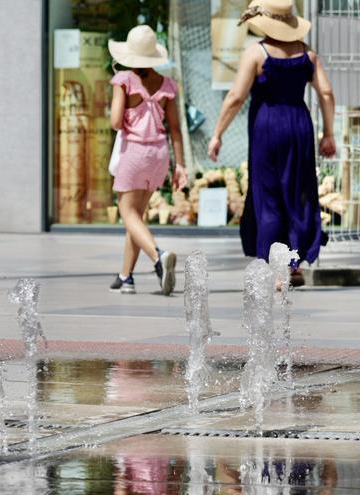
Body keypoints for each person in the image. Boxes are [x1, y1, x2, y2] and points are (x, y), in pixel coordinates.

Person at [207, 0, 336, 286]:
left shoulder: (257, 52)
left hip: (267, 127)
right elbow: (326, 93)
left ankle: (276, 269)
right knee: (298, 193)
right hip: (299, 127)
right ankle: (292, 264)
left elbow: (236, 97)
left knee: (269, 198)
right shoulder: (308, 54)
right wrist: (328, 133)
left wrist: (217, 133)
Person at [107, 25, 188, 296]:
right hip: (160, 154)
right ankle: (125, 276)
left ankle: (158, 257)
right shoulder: (167, 85)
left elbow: (116, 121)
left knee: (127, 213)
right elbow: (175, 129)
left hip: (135, 152)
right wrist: (181, 166)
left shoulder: (124, 81)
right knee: (136, 216)